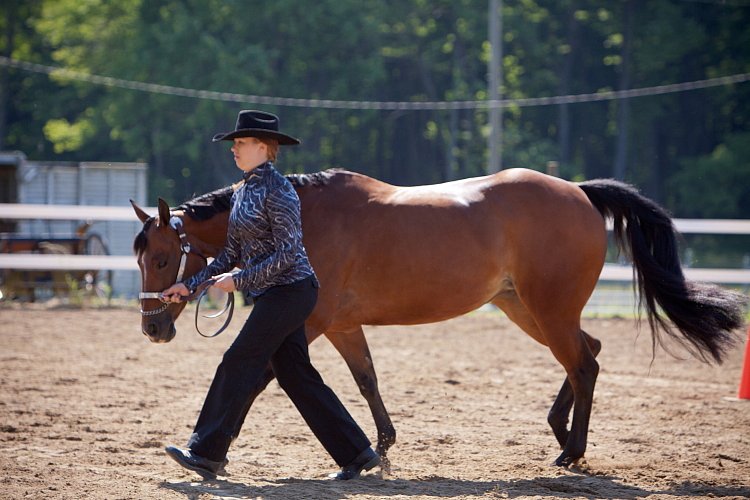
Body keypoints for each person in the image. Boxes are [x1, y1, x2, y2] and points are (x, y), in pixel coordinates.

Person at [161, 110, 379, 481]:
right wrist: (191, 285)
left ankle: (205, 453)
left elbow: (288, 255)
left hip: (292, 292)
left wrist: (240, 280)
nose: (235, 148)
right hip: (274, 295)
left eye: (241, 143)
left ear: (263, 148)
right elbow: (230, 254)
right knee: (296, 376)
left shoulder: (280, 192)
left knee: (238, 359)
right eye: (235, 143)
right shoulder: (244, 191)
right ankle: (357, 453)